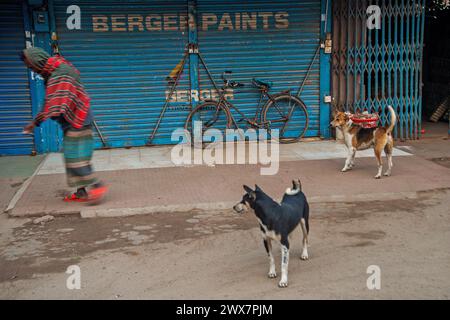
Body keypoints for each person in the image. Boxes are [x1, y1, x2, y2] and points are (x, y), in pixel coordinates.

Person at [21, 47, 107, 202]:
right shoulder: (52, 72)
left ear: (37, 60)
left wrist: (35, 122)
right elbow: (51, 101)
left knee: (75, 157)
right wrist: (35, 122)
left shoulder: (60, 73)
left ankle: (97, 186)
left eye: (31, 66)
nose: (32, 69)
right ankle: (81, 192)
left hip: (79, 120)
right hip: (72, 121)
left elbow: (52, 104)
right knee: (74, 157)